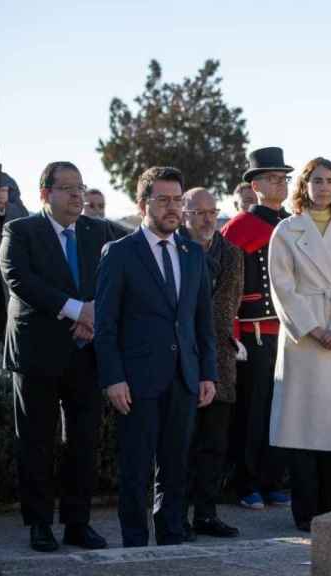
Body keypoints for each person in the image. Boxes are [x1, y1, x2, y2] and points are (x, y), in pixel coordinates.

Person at [95, 166, 218, 547]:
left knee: (176, 466)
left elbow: (202, 321)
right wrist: (113, 377)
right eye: (162, 199)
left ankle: (172, 537)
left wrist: (207, 373)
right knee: (135, 467)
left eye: (177, 200)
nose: (172, 208)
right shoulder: (119, 253)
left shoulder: (193, 253)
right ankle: (134, 543)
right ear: (142, 203)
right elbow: (105, 324)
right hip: (135, 381)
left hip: (184, 377)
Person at [0, 161, 115, 552]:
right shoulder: (21, 230)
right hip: (37, 354)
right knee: (36, 442)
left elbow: (118, 272)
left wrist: (94, 311)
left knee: (84, 441)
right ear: (45, 194)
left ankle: (78, 523)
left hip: (86, 352)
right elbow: (18, 277)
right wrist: (75, 308)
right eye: (67, 189)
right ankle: (39, 525)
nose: (77, 196)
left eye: (81, 188)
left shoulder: (99, 230)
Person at [268, 157, 331, 532]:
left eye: (330, 181)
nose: (324, 187)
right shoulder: (287, 230)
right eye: (317, 180)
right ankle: (305, 511)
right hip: (304, 341)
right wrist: (313, 328)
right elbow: (282, 287)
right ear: (305, 186)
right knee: (303, 426)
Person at [220, 147, 293, 510]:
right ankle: (245, 481)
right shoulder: (239, 227)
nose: (280, 183)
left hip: (290, 333)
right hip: (254, 333)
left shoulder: (294, 223)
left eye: (283, 178)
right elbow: (227, 286)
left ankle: (273, 477)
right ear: (255, 184)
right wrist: (232, 335)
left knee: (281, 409)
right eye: (271, 178)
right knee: (252, 410)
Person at [181, 187, 244, 539]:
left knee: (213, 444)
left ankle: (206, 513)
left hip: (219, 358)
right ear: (185, 213)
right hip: (180, 359)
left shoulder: (231, 254)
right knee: (180, 444)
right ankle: (175, 515)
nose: (208, 219)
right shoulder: (175, 249)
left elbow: (226, 306)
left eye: (212, 211)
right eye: (199, 212)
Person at [0, 131, 29, 348]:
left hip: (1, 274)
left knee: (3, 334)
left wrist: (3, 207)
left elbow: (24, 219)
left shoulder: (6, 181)